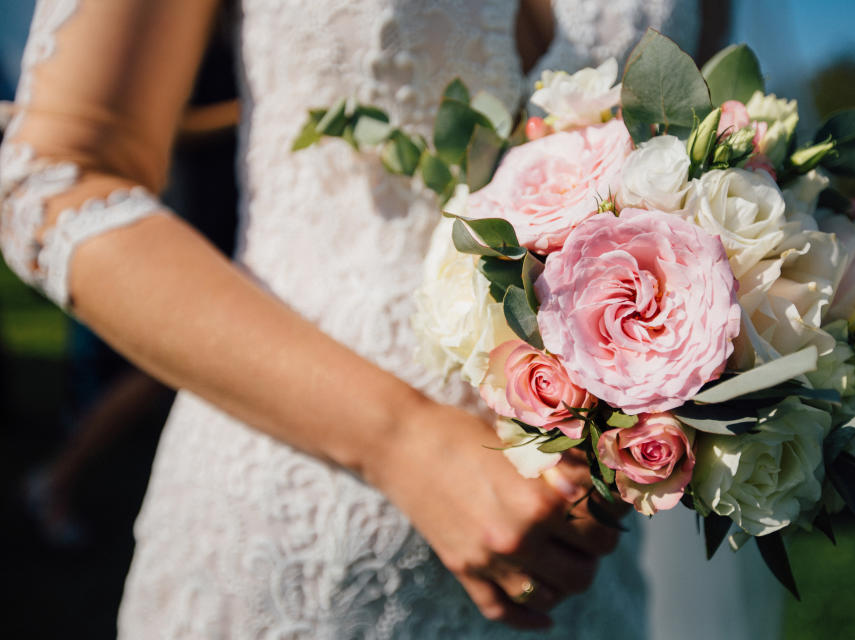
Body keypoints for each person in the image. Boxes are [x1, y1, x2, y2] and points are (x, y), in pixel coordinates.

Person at [0, 1, 770, 637]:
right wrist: (401, 441)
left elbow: (681, 176)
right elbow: (56, 179)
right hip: (292, 547)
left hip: (574, 573)